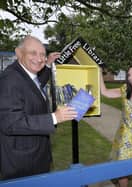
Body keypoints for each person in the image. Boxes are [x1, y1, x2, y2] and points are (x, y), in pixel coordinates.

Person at [0, 35, 77, 180]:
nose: (39, 58)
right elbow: (11, 123)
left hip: (35, 156)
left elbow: (34, 87)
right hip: (22, 163)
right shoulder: (9, 80)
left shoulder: (25, 75)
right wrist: (55, 117)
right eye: (33, 53)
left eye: (42, 54)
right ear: (18, 53)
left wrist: (47, 65)